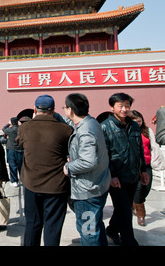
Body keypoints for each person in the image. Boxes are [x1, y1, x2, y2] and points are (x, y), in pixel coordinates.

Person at [16, 94, 73, 246]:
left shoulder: (25, 128)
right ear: (53, 110)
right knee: (52, 227)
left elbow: (20, 144)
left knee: (32, 224)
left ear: (35, 109)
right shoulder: (65, 130)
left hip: (31, 184)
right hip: (57, 186)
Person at [101, 93, 149, 246]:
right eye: (120, 106)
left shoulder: (134, 125)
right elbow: (105, 154)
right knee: (125, 211)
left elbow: (139, 149)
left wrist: (143, 170)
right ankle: (129, 241)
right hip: (117, 177)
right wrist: (112, 175)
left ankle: (112, 229)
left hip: (133, 175)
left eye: (127, 106)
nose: (124, 109)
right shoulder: (105, 126)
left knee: (124, 208)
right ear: (112, 107)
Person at [62, 93, 111, 246]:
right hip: (98, 183)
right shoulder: (92, 122)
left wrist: (69, 167)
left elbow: (89, 161)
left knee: (88, 231)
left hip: (87, 190)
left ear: (70, 110)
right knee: (95, 227)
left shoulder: (85, 130)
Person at [130, 110, 157, 226]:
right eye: (135, 121)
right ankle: (141, 215)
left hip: (147, 163)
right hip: (135, 164)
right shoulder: (129, 131)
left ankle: (135, 203)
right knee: (139, 188)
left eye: (140, 121)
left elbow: (153, 146)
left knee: (147, 188)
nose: (138, 123)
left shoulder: (147, 131)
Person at [2, 117, 22, 186]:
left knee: (12, 165)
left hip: (11, 149)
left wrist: (8, 123)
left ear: (11, 122)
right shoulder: (21, 129)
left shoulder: (9, 130)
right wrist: (21, 125)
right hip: (20, 149)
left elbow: (3, 129)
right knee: (20, 165)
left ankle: (14, 181)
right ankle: (22, 179)